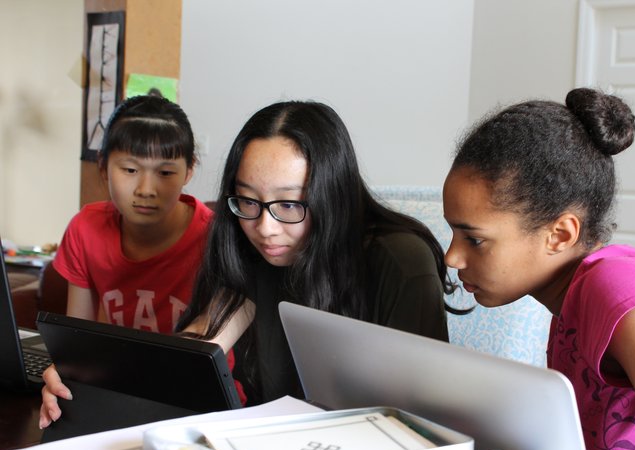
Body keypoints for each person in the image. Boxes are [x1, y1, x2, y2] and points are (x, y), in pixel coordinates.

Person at [442, 87, 635, 450]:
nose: (451, 258)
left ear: (560, 234)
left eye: (474, 239)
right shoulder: (570, 299)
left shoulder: (621, 292)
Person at [176, 100, 454, 406]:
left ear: (332, 196)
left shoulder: (401, 261)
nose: (265, 227)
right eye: (247, 200)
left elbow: (420, 414)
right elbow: (191, 359)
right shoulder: (249, 250)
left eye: (289, 204)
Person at [39, 95, 213, 427]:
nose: (147, 189)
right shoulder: (85, 229)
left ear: (190, 169)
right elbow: (79, 343)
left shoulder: (214, 240)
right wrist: (64, 378)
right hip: (115, 396)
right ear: (103, 166)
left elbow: (200, 364)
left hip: (197, 405)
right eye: (130, 169)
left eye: (165, 172)